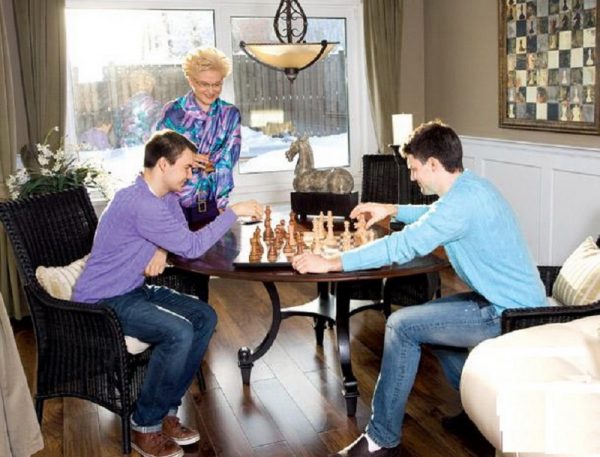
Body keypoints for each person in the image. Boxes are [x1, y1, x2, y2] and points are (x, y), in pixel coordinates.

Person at [292, 120, 547, 457]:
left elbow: (403, 246)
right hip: (505, 301)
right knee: (430, 325)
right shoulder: (471, 188)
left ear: (433, 164)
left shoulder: (461, 203)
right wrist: (392, 209)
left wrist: (334, 262)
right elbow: (434, 213)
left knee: (403, 324)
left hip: (512, 314)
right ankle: (476, 412)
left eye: (414, 169)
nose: (412, 177)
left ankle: (381, 439)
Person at [72, 129, 262, 457]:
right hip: (102, 302)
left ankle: (166, 414)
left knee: (204, 315)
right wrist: (233, 211)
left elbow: (177, 232)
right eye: (187, 167)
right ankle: (144, 426)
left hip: (132, 289)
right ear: (163, 164)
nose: (192, 174)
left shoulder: (158, 196)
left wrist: (161, 245)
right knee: (179, 332)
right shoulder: (138, 202)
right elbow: (190, 246)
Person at [155, 46, 241, 225]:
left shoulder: (230, 115)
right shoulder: (173, 112)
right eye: (204, 84)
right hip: (173, 207)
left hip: (213, 205)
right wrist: (185, 159)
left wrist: (222, 205)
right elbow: (156, 158)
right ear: (191, 80)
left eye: (217, 84)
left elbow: (227, 161)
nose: (211, 90)